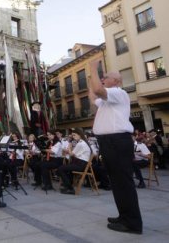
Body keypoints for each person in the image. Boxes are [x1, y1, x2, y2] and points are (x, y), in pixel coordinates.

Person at [89, 60, 142, 234]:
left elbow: (98, 90)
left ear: (116, 81)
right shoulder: (107, 101)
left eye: (106, 77)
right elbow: (93, 97)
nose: (103, 79)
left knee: (123, 183)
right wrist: (92, 77)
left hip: (117, 141)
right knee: (117, 182)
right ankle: (124, 216)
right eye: (102, 77)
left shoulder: (119, 93)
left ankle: (132, 223)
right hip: (110, 142)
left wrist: (93, 68)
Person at [57, 128, 91, 195]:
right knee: (66, 168)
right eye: (72, 135)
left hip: (81, 165)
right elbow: (74, 154)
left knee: (60, 168)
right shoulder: (82, 142)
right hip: (81, 163)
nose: (73, 137)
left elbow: (71, 154)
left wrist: (69, 147)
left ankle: (70, 188)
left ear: (80, 135)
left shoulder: (81, 143)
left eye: (74, 135)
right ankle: (67, 186)